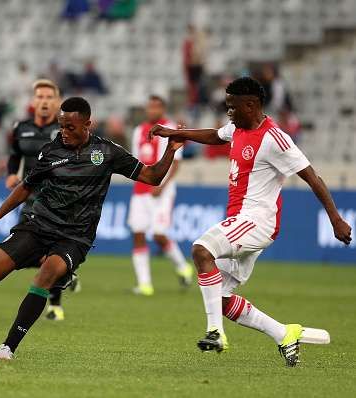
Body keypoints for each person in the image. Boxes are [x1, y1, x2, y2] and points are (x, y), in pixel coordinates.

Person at [0, 97, 183, 359]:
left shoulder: (107, 152)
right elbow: (26, 187)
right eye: (62, 127)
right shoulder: (51, 151)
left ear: (87, 124)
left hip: (75, 236)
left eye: (71, 127)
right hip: (39, 225)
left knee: (47, 275)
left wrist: (170, 150)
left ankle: (7, 347)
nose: (65, 132)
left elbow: (152, 177)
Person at [150, 77, 352, 366]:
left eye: (232, 107)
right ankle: (284, 333)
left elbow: (311, 177)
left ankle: (215, 333)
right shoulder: (237, 128)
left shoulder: (276, 139)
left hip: (257, 220)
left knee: (201, 249)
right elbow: (216, 135)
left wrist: (335, 218)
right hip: (241, 220)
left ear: (251, 104)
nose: (228, 112)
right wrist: (176, 133)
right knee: (218, 297)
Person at [5, 79, 75, 321]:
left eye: (49, 97)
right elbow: (15, 155)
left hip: (58, 201)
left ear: (57, 103)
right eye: (40, 97)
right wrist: (12, 174)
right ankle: (66, 272)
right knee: (28, 251)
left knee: (53, 251)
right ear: (33, 102)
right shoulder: (20, 128)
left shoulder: (65, 130)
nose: (44, 102)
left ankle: (55, 305)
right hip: (29, 197)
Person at [128, 95, 192, 296]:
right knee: (138, 233)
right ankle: (145, 284)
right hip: (140, 190)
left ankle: (182, 266)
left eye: (156, 107)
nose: (152, 110)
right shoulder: (139, 131)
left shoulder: (170, 129)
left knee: (158, 235)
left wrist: (162, 185)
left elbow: (176, 162)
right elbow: (136, 159)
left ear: (163, 108)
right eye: (149, 107)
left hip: (161, 192)